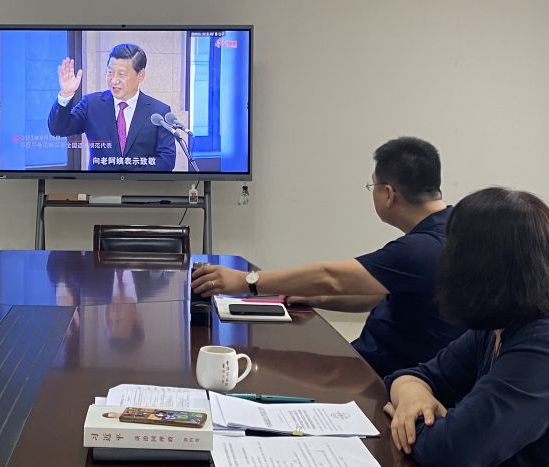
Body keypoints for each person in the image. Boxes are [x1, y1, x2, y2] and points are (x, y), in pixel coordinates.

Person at [191, 137, 464, 377]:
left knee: (270, 367)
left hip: (387, 380)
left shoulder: (422, 248)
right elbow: (379, 292)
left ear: (388, 194)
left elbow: (331, 277)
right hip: (379, 364)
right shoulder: (453, 229)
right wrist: (318, 299)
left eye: (372, 186)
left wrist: (246, 281)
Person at [384, 187, 549, 466]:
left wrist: (413, 421)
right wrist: (413, 399)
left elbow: (451, 452)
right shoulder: (496, 325)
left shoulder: (540, 345)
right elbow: (412, 376)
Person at [48, 43, 176, 172]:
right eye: (110, 72)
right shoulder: (91, 104)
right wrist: (66, 94)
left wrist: (129, 179)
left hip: (140, 184)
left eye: (121, 74)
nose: (114, 80)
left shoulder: (159, 112)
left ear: (140, 75)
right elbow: (58, 129)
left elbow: (166, 160)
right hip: (99, 184)